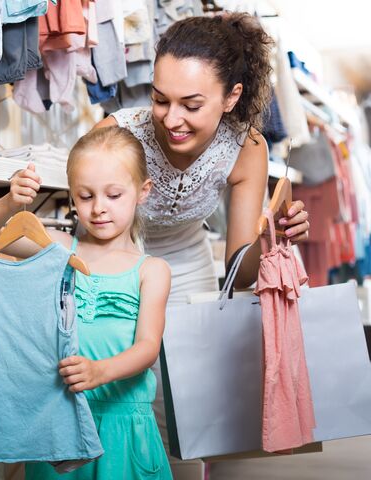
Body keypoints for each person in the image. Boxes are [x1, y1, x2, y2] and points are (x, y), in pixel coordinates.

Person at [92, 12, 311, 480]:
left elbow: (241, 269)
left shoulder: (246, 146)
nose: (172, 119)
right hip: (118, 265)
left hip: (189, 266)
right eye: (159, 99)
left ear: (232, 97)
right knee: (125, 403)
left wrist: (273, 236)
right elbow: (86, 230)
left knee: (185, 409)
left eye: (191, 104)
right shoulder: (117, 134)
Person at [0, 126, 173, 480]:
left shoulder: (152, 270)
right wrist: (10, 203)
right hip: (59, 421)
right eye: (85, 196)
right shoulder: (59, 249)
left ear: (143, 192)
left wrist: (99, 371)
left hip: (123, 426)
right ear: (71, 196)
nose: (98, 209)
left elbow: (147, 348)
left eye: (113, 195)